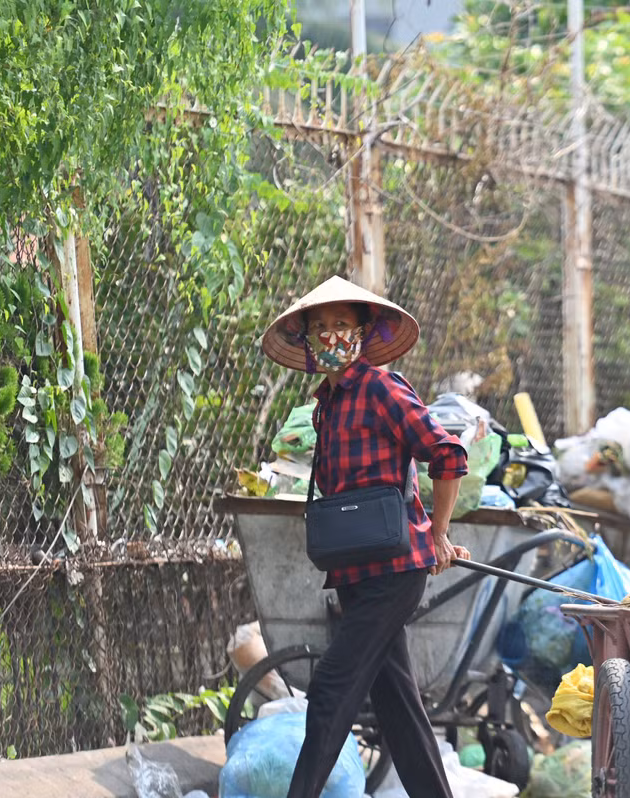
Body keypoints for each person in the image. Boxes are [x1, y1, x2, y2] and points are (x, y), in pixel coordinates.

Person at [261, 275, 470, 798]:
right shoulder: (325, 405)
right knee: (398, 705)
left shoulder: (381, 388)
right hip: (354, 573)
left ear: (361, 331)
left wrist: (438, 534)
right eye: (319, 327)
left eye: (341, 325)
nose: (330, 335)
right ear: (307, 341)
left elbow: (447, 454)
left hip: (394, 572)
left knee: (331, 687)